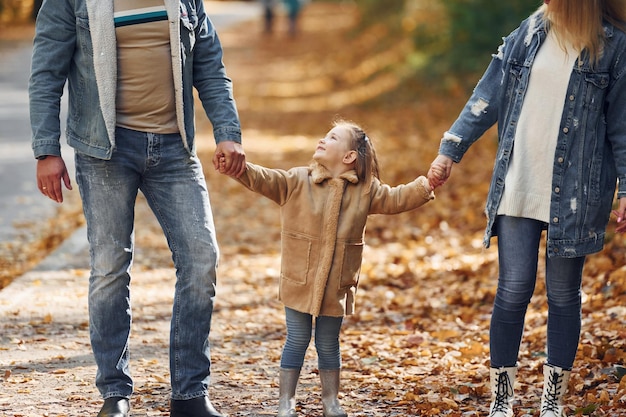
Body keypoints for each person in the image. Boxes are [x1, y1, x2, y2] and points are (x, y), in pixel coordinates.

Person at [29, 1, 246, 416]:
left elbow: (210, 66)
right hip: (104, 150)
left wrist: (227, 131)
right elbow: (46, 74)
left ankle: (190, 395)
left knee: (202, 258)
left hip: (174, 148)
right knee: (110, 266)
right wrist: (46, 150)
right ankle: (115, 393)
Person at [427, 1, 626, 416]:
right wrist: (451, 150)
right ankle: (503, 400)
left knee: (564, 295)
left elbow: (623, 127)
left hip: (576, 193)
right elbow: (488, 94)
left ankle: (550, 403)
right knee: (513, 289)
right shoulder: (530, 31)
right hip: (519, 182)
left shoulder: (612, 47)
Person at [220, 119, 434, 417]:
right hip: (299, 279)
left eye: (332, 138)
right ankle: (286, 402)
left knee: (327, 342)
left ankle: (331, 401)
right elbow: (264, 178)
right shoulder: (298, 180)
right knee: (297, 338)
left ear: (349, 157)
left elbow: (397, 198)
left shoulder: (366, 191)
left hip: (337, 284)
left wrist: (427, 185)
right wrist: (238, 168)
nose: (323, 139)